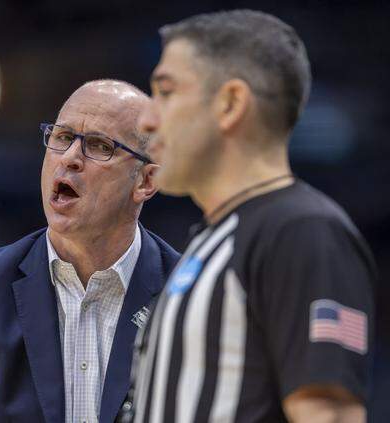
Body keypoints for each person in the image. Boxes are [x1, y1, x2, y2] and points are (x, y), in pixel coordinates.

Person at [123, 10, 376, 423]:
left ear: (230, 103)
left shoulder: (302, 231)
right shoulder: (212, 239)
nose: (147, 118)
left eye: (166, 93)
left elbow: (330, 414)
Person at [0, 79, 180, 423]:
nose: (70, 158)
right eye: (63, 138)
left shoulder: (190, 295)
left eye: (98, 146)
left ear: (145, 182)